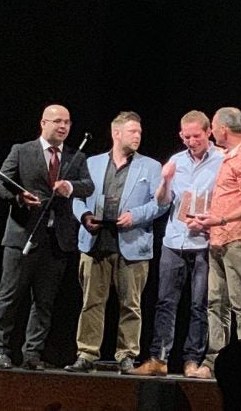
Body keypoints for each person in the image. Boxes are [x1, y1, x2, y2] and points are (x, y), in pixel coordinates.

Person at [0, 104, 93, 370]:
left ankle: (32, 354)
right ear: (43, 123)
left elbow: (88, 186)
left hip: (56, 240)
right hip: (22, 236)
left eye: (67, 122)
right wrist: (19, 198)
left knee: (44, 302)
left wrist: (70, 187)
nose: (63, 126)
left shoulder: (75, 157)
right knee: (9, 296)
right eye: (58, 121)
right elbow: (0, 183)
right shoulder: (22, 151)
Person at [65, 112, 166, 373]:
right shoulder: (92, 163)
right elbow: (76, 197)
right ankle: (86, 354)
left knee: (131, 304)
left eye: (140, 132)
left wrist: (136, 215)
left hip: (132, 243)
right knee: (91, 302)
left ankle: (127, 355)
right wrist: (85, 215)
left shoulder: (151, 167)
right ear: (116, 133)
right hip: (96, 241)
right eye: (132, 131)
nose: (137, 136)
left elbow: (162, 203)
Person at [128, 110, 223, 377]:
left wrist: (208, 221)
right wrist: (166, 180)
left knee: (199, 304)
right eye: (187, 136)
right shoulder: (176, 161)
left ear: (208, 133)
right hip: (174, 240)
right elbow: (162, 201)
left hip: (204, 241)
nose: (192, 141)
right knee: (165, 302)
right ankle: (159, 358)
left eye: (197, 136)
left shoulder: (222, 160)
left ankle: (192, 360)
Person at [193, 107, 241, 380]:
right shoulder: (227, 155)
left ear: (224, 129)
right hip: (218, 239)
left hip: (238, 239)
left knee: (240, 303)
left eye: (213, 126)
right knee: (216, 301)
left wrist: (220, 218)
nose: (211, 132)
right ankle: (215, 360)